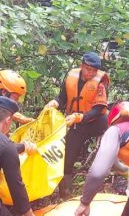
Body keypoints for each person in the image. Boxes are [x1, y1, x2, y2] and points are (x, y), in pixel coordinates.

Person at [44, 52, 109, 200]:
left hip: (96, 121)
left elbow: (98, 109)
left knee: (107, 146)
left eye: (94, 71)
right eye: (88, 69)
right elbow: (63, 97)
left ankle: (103, 182)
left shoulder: (100, 82)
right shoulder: (72, 76)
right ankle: (65, 193)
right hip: (76, 123)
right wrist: (55, 102)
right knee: (68, 156)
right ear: (82, 66)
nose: (90, 73)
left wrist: (80, 117)